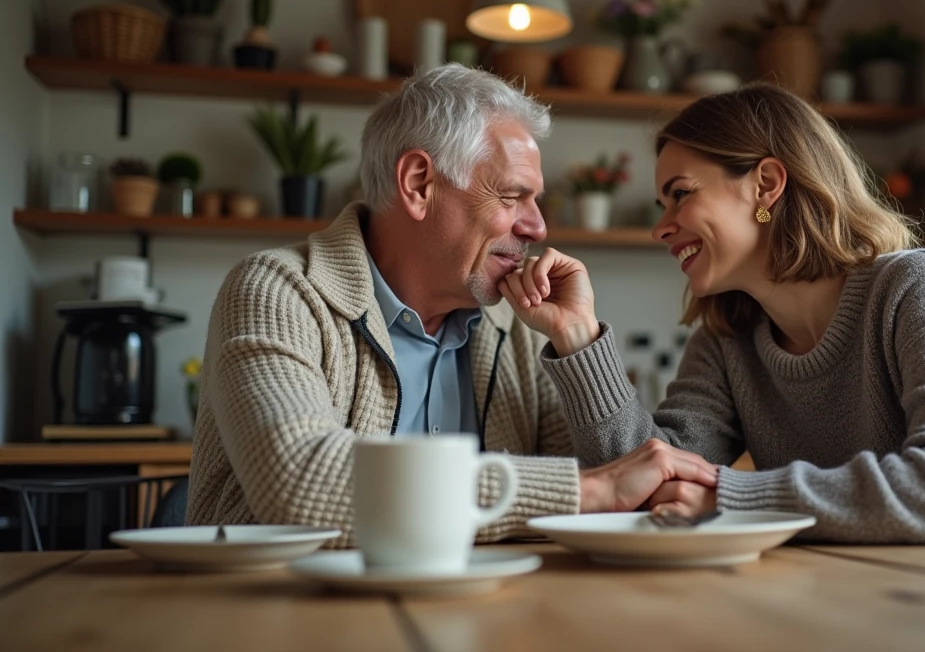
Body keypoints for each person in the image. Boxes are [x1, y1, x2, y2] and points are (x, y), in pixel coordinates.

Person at [497, 83, 925, 548]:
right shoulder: (730, 337)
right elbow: (649, 477)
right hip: (897, 597)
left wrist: (735, 496)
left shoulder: (919, 287)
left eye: (680, 193)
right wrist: (578, 340)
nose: (661, 226)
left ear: (766, 184)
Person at [186, 65, 717, 543]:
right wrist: (586, 492)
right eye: (512, 197)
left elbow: (630, 488)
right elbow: (302, 482)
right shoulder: (276, 291)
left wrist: (576, 338)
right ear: (419, 184)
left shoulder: (521, 322)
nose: (538, 227)